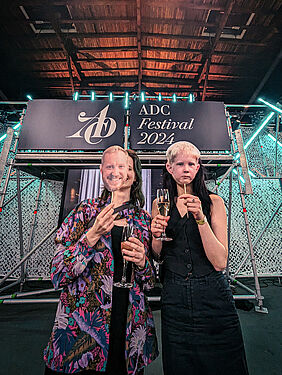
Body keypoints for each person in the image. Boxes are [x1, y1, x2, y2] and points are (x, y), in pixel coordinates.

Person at [44, 146, 158, 375]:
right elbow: (57, 274)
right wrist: (92, 235)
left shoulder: (145, 219)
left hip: (129, 328)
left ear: (133, 174)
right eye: (110, 166)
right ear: (101, 171)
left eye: (123, 166)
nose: (116, 171)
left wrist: (143, 263)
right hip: (81, 331)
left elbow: (150, 283)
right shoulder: (84, 212)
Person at [151, 141, 249, 375]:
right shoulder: (159, 204)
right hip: (174, 294)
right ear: (169, 167)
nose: (186, 169)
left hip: (212, 295)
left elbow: (220, 261)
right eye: (180, 164)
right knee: (180, 365)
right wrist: (155, 235)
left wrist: (200, 218)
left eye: (191, 164)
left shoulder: (214, 202)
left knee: (224, 364)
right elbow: (157, 254)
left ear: (197, 168)